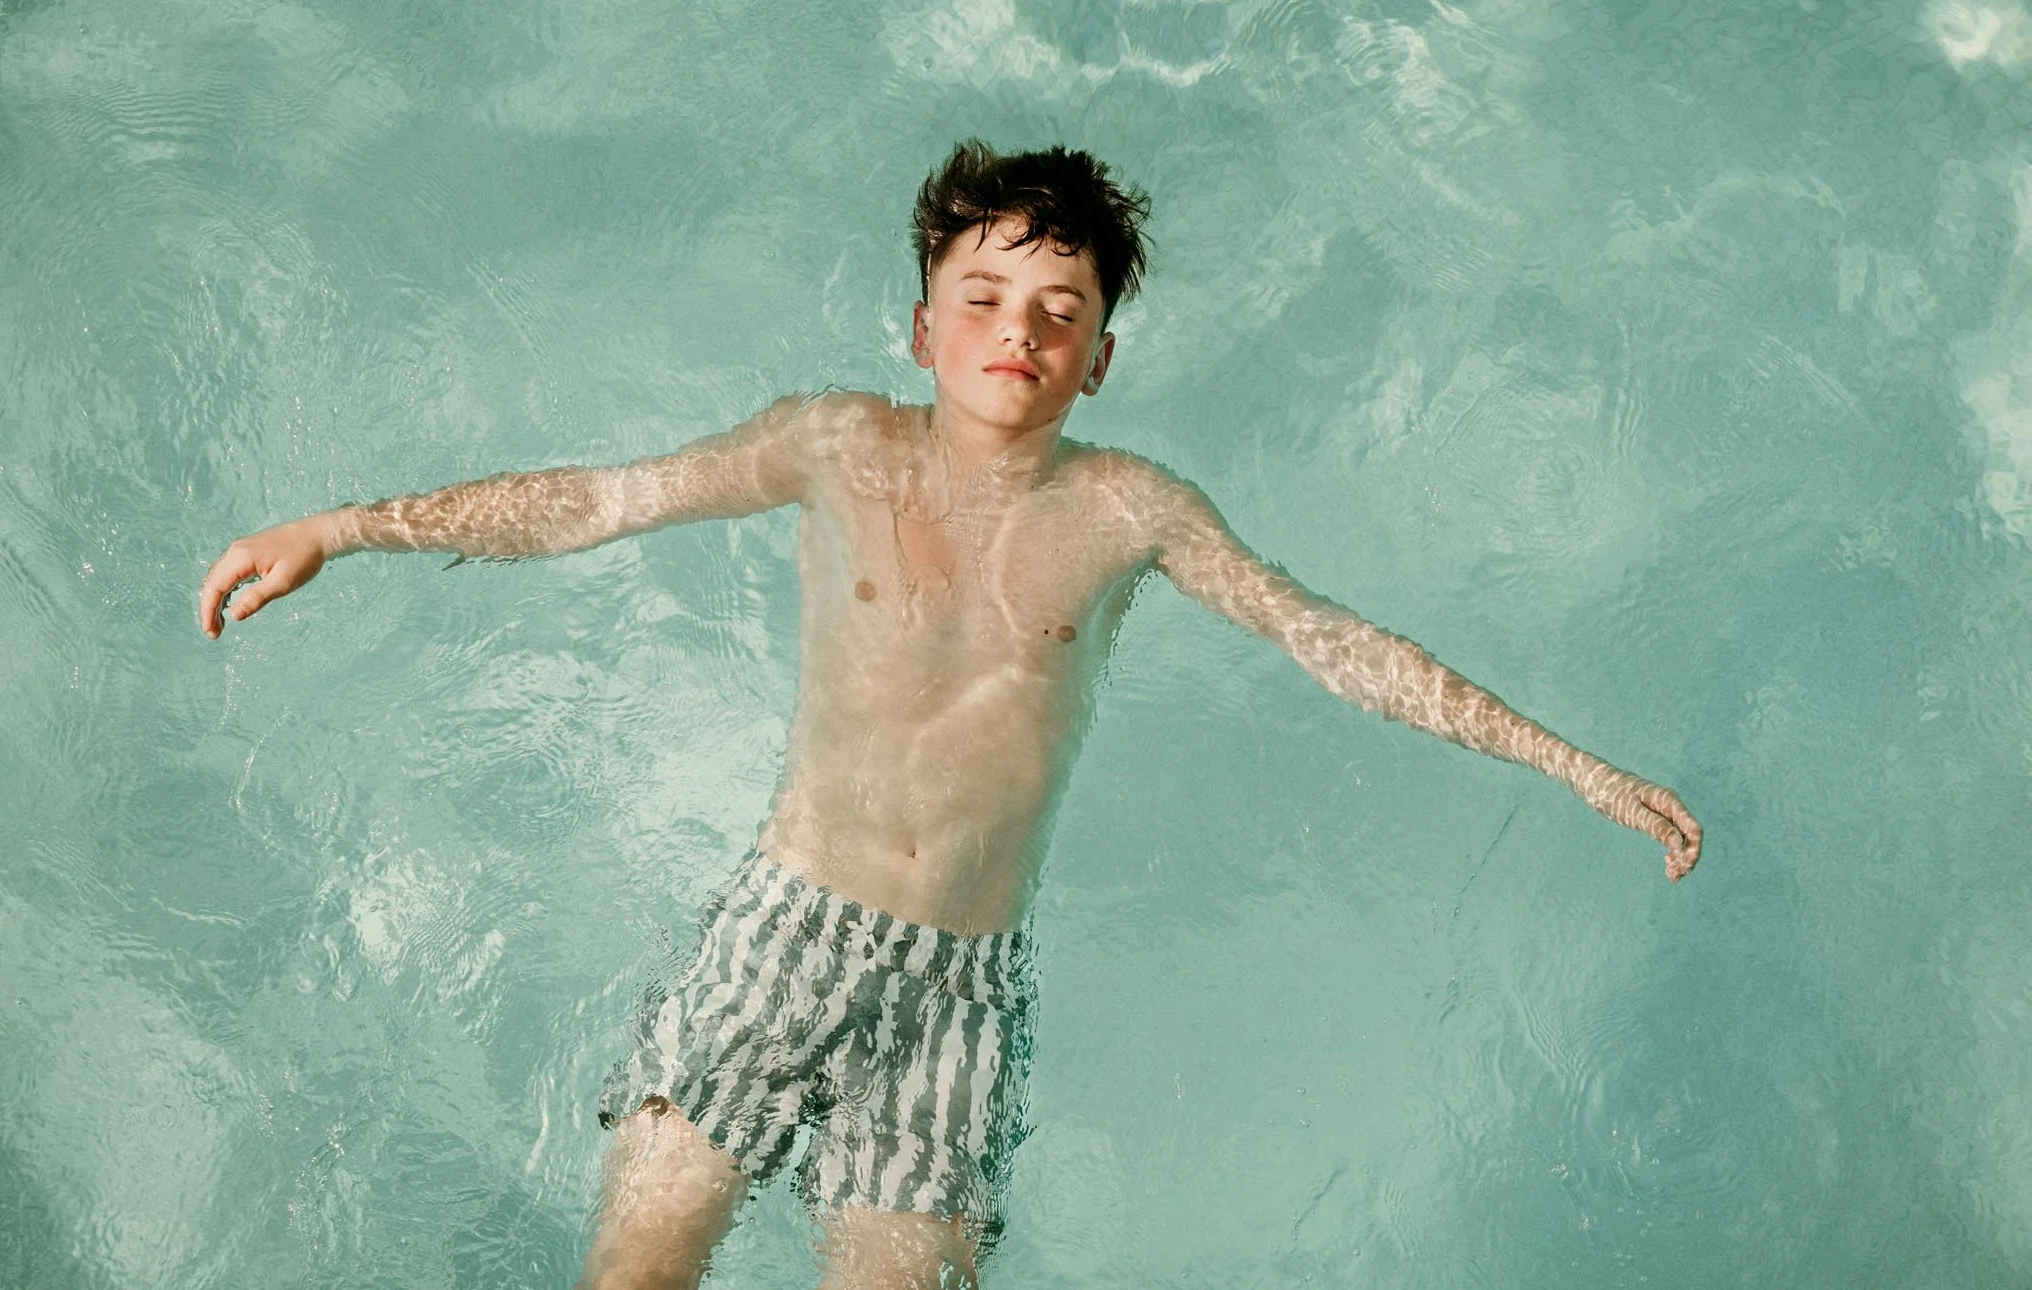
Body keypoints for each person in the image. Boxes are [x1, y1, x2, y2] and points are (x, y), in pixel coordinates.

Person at [197, 140, 1703, 1289]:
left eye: (1061, 312)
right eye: (984, 299)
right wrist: (345, 528)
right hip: (780, 934)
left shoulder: (1130, 511)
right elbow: (601, 499)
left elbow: (1331, 641)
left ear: (1100, 359)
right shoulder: (833, 445)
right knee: (636, 1278)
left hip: (961, 993)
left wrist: (1567, 763)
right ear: (921, 327)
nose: (1019, 332)